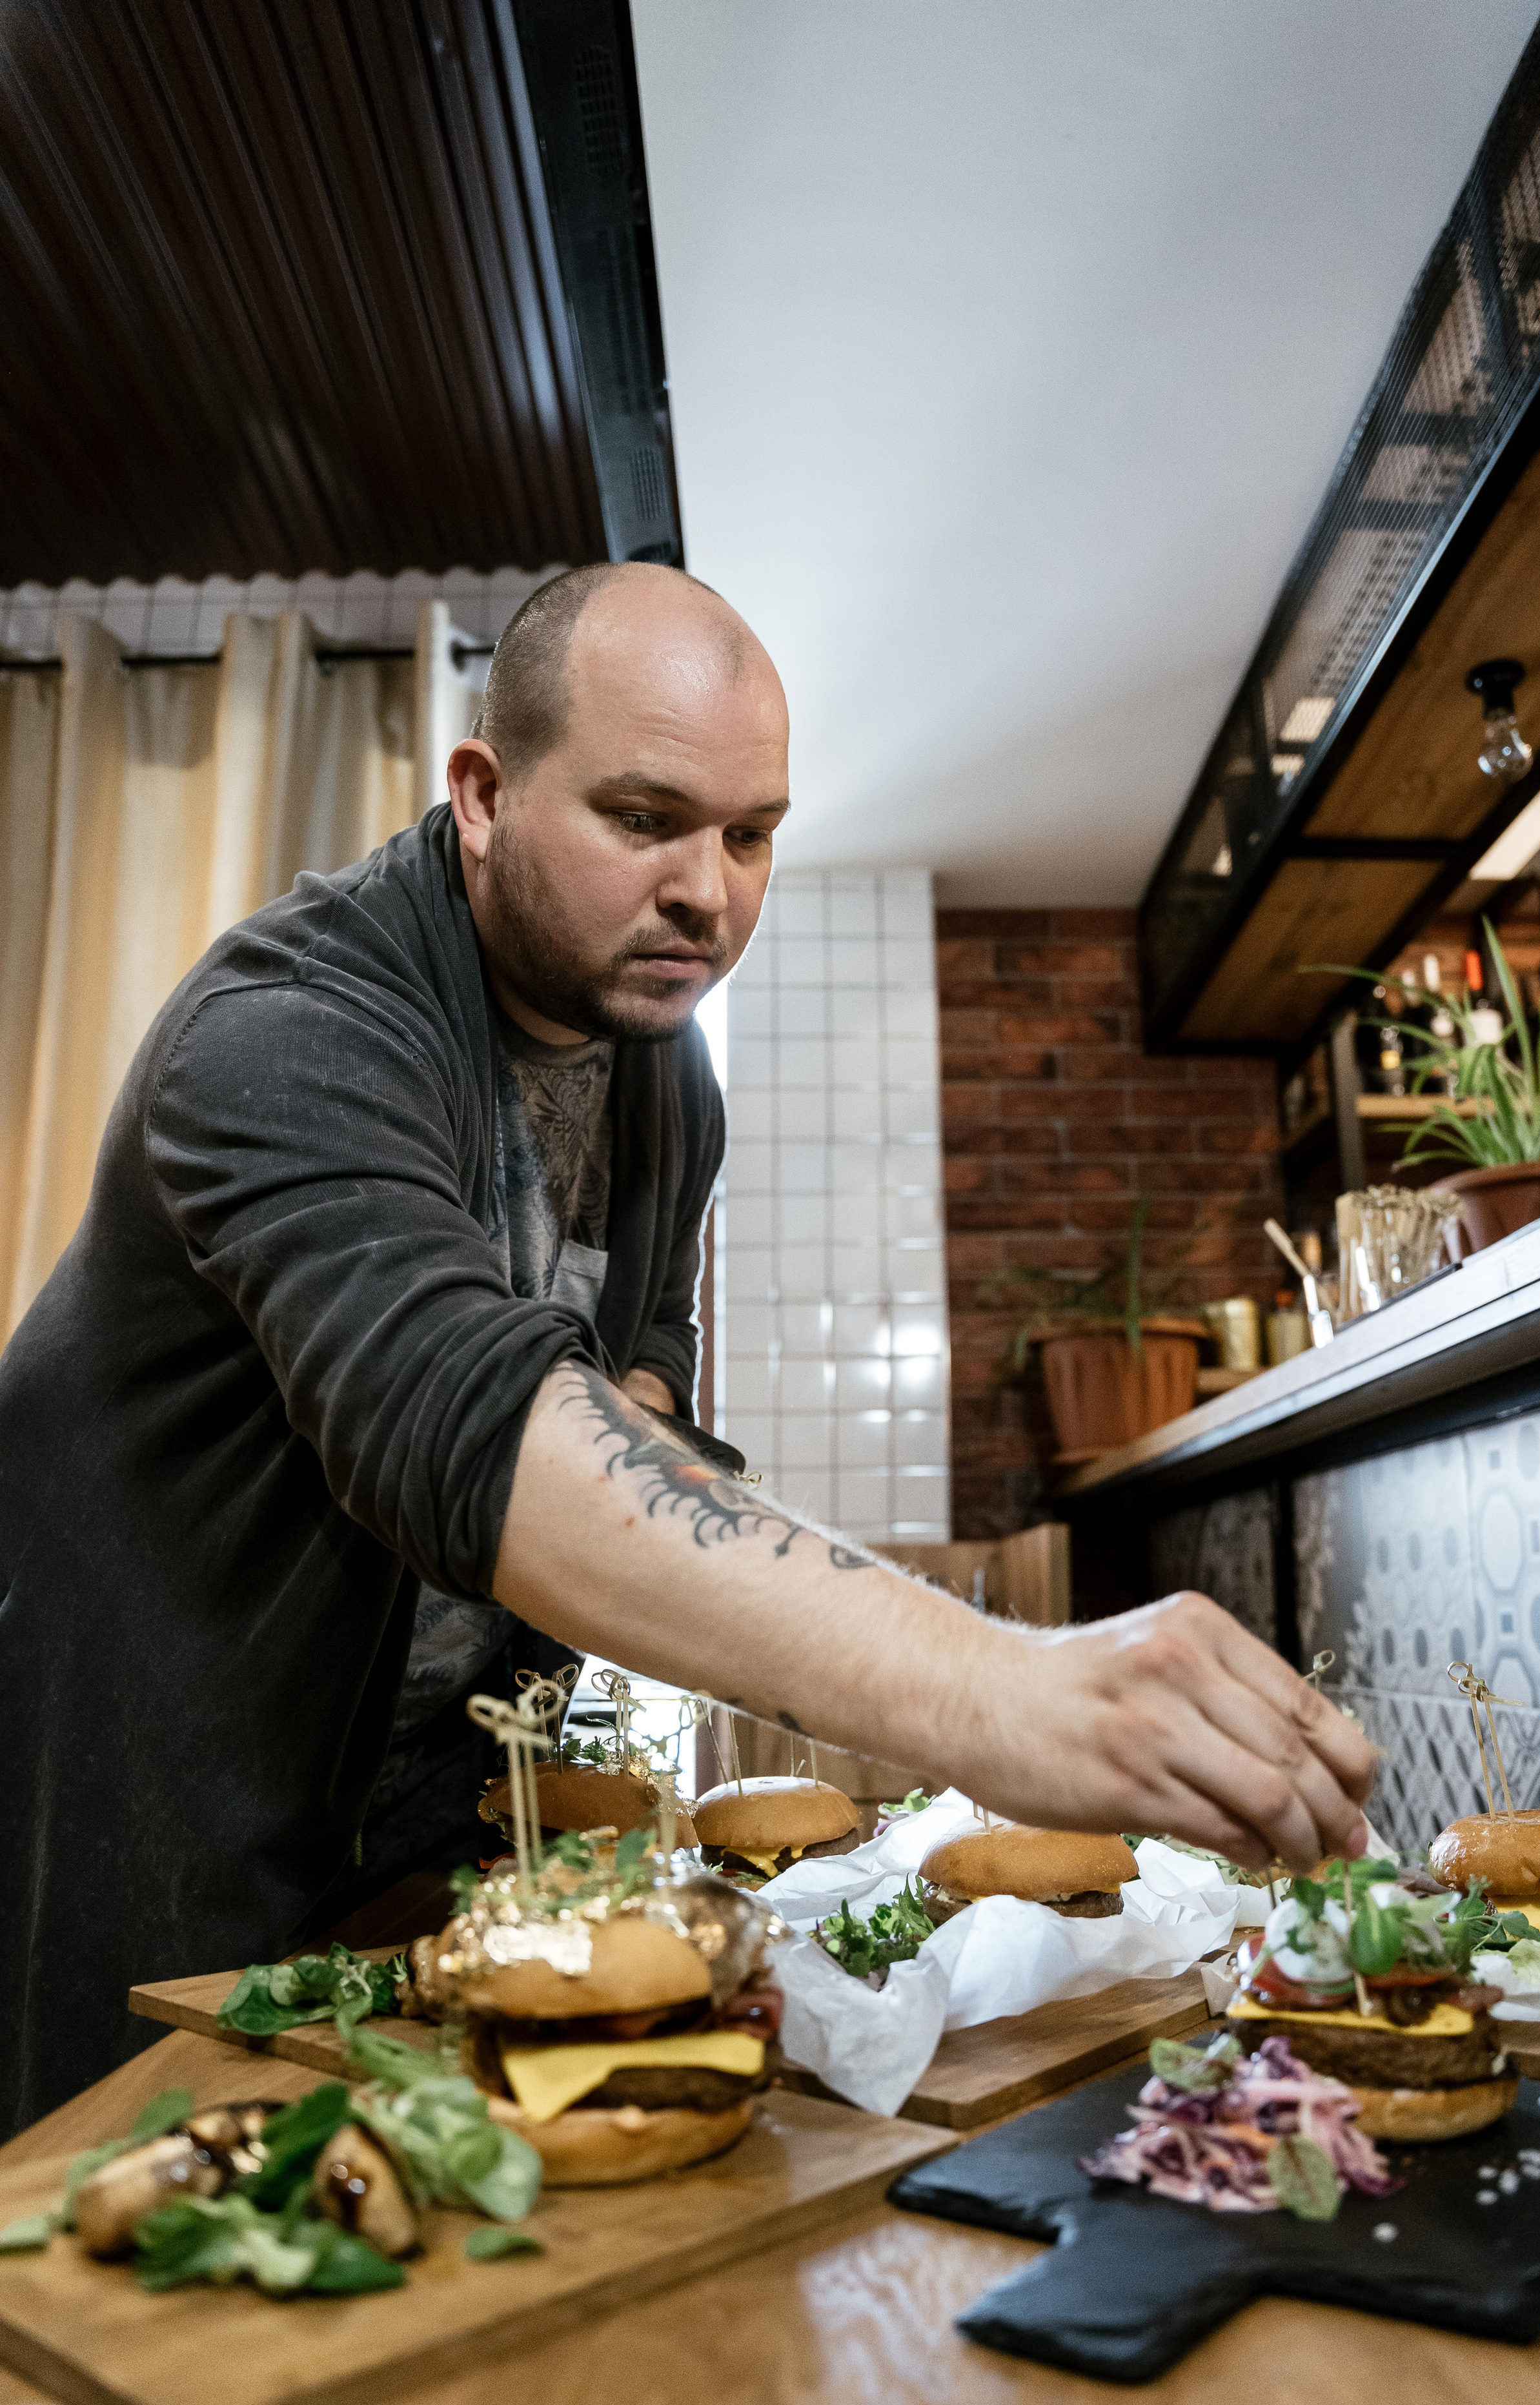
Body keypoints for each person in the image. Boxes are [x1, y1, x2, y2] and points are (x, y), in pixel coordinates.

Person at [0, 565, 1373, 2135]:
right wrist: (1005, 1690)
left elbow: (630, 1386)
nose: (706, 892)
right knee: (120, 2250)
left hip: (424, 1820)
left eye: (749, 833)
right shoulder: (287, 1030)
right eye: (643, 818)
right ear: (482, 794)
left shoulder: (663, 1079)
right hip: (150, 1792)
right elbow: (468, 1423)